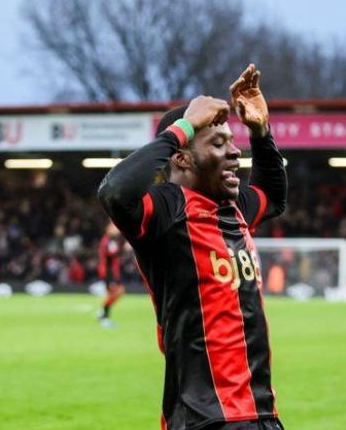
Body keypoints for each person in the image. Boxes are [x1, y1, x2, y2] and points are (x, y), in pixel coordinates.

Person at [98, 64, 287, 430]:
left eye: (233, 141)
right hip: (206, 419)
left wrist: (261, 132)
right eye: (218, 143)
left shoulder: (234, 208)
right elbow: (115, 191)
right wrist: (182, 127)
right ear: (182, 157)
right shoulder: (166, 209)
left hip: (262, 414)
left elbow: (273, 196)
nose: (234, 152)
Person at [97, 222, 127, 328]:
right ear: (108, 229)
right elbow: (111, 253)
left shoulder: (111, 241)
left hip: (112, 273)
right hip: (108, 273)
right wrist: (124, 247)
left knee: (115, 293)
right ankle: (104, 317)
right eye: (113, 228)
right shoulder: (107, 241)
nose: (116, 230)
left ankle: (103, 314)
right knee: (117, 292)